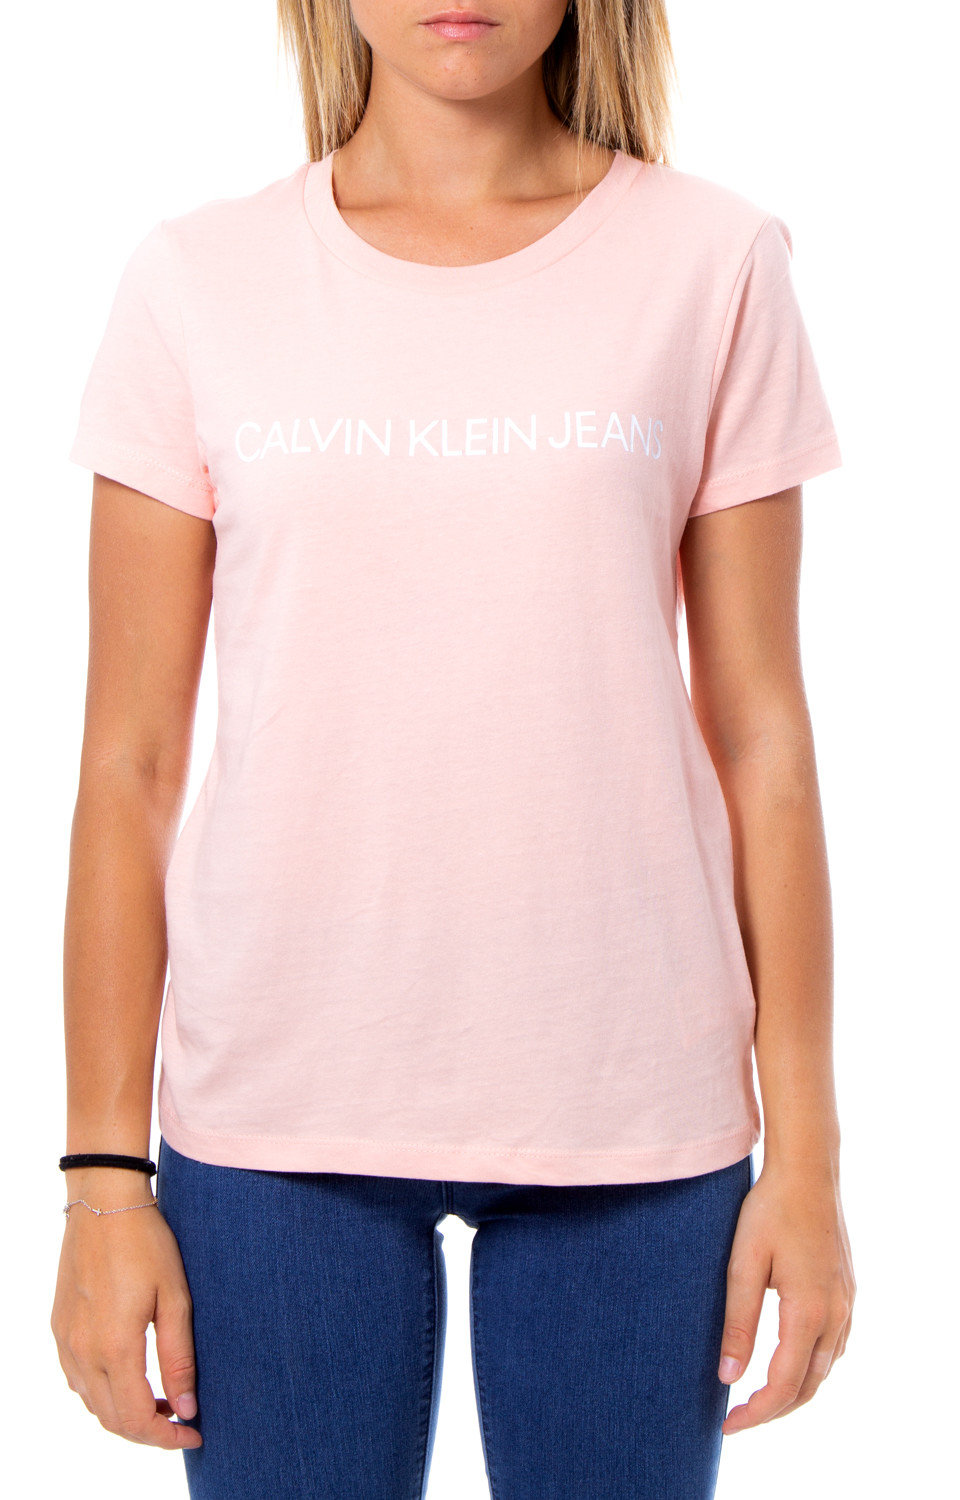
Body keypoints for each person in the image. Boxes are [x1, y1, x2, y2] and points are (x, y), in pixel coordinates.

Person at [50, 2, 856, 1496]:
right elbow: (128, 766)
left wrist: (806, 1161)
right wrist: (102, 1182)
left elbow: (766, 740)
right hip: (274, 1115)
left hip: (638, 1108)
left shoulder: (714, 262)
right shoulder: (197, 281)